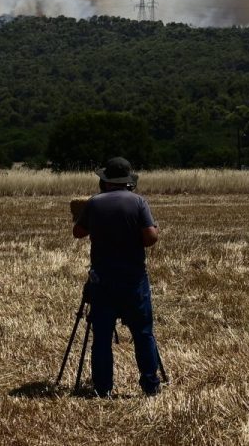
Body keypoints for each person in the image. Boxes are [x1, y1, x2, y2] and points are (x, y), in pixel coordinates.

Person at [72, 155, 164, 396]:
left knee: (101, 335)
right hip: (133, 279)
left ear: (105, 181)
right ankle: (150, 385)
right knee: (143, 333)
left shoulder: (93, 203)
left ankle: (103, 388)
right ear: (128, 182)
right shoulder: (138, 202)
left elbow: (78, 232)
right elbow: (151, 238)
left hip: (102, 279)